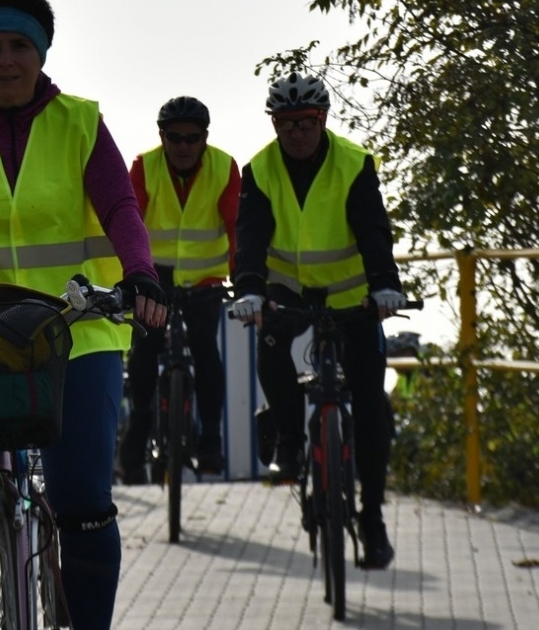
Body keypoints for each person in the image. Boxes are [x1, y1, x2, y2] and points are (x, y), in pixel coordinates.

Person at [0, 0, 166, 630]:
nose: (5, 59)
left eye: (19, 45)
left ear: (41, 53)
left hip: (79, 329)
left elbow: (121, 206)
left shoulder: (81, 123)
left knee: (81, 498)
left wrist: (140, 272)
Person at [228, 72, 408, 572]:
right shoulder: (259, 170)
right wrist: (248, 290)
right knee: (268, 343)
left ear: (323, 119)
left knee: (371, 403)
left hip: (352, 295)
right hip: (286, 290)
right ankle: (289, 440)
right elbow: (251, 237)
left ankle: (372, 521)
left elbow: (374, 229)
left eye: (306, 122)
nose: (297, 133)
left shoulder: (354, 164)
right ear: (275, 124)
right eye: (286, 124)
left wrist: (384, 286)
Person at [119, 95, 239, 481]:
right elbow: (128, 221)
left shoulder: (224, 167)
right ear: (162, 136)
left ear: (205, 137)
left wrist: (245, 280)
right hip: (155, 277)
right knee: (144, 350)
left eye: (193, 138)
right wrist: (131, 275)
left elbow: (237, 228)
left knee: (206, 348)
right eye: (175, 138)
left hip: (205, 279)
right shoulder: (144, 167)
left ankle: (210, 441)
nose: (184, 146)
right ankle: (136, 441)